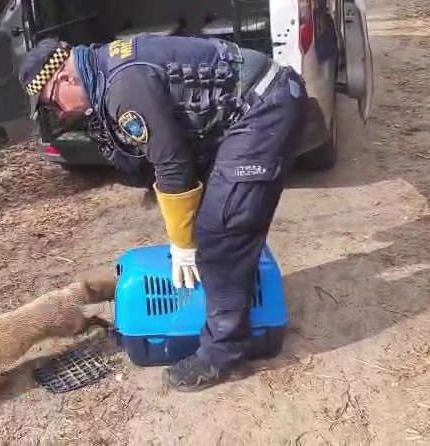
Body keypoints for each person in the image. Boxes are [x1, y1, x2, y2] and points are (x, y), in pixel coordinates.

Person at [18, 34, 308, 392]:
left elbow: (173, 166)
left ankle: (223, 353)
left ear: (65, 79)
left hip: (265, 107)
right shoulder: (105, 72)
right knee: (216, 222)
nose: (60, 114)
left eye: (52, 104)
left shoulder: (122, 88)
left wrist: (183, 243)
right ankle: (230, 295)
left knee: (221, 231)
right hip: (246, 109)